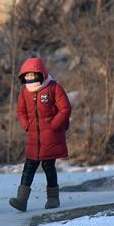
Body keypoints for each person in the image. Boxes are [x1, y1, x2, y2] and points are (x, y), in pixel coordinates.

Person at [9, 57, 72, 212]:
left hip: (51, 137)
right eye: (27, 75)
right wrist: (27, 125)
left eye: (32, 75)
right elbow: (21, 111)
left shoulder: (53, 87)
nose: (30, 78)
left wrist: (54, 125)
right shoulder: (25, 92)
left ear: (40, 73)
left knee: (48, 166)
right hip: (33, 138)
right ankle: (21, 199)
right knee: (29, 166)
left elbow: (65, 108)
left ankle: (53, 198)